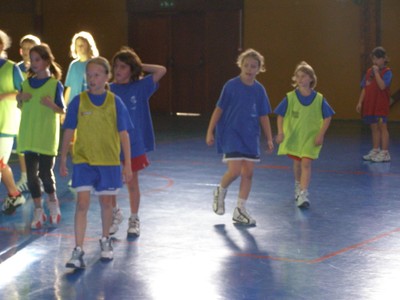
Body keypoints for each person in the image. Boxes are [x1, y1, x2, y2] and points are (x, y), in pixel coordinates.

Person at [60, 57, 133, 268]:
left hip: (109, 162)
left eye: (97, 75)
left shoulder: (114, 102)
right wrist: (64, 156)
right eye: (89, 75)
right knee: (82, 204)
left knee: (106, 203)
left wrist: (127, 164)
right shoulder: (79, 101)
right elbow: (69, 131)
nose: (92, 79)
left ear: (106, 77)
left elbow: (124, 134)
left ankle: (105, 240)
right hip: (84, 161)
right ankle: (78, 249)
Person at [206, 48, 274, 226]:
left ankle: (240, 209)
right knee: (235, 171)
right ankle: (220, 191)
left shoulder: (259, 90)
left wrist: (268, 138)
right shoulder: (231, 86)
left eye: (253, 66)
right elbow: (219, 109)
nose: (249, 69)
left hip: (250, 136)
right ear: (240, 65)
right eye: (246, 65)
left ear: (259, 69)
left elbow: (263, 115)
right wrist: (210, 130)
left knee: (249, 173)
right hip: (231, 133)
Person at [109, 47, 166, 237]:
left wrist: (138, 65)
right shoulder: (109, 89)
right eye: (116, 66)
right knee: (111, 183)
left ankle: (134, 218)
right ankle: (115, 213)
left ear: (131, 70)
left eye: (123, 67)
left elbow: (161, 70)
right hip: (111, 145)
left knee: (132, 183)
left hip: (133, 145)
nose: (118, 70)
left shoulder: (140, 87)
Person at [16, 43, 65, 228]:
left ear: (46, 61)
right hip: (28, 136)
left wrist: (51, 105)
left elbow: (61, 110)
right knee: (31, 177)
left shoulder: (55, 85)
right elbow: (20, 104)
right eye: (31, 59)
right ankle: (38, 211)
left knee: (45, 173)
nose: (33, 63)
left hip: (45, 137)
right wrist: (19, 98)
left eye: (37, 59)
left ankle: (53, 203)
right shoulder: (25, 84)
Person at [274, 61, 334, 208]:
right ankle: (297, 184)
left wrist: (321, 134)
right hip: (295, 137)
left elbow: (328, 116)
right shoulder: (290, 97)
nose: (300, 79)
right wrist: (281, 132)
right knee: (297, 164)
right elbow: (280, 115)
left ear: (311, 79)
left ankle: (303, 193)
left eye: (304, 76)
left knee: (306, 163)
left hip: (310, 138)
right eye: (298, 76)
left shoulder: (319, 98)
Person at [0, 29, 26, 215]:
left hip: (6, 123)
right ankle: (14, 194)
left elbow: (24, 94)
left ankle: (15, 194)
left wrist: (3, 96)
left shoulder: (11, 68)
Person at [15, 34, 41, 193]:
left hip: (38, 113)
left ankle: (38, 176)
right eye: (24, 48)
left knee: (37, 145)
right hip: (21, 112)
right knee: (21, 144)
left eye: (30, 48)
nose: (26, 51)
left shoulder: (42, 69)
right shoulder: (16, 68)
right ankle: (25, 177)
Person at [356, 47, 392, 163]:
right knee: (374, 128)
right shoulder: (368, 72)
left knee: (382, 127)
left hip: (381, 106)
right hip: (371, 106)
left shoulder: (387, 72)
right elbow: (365, 88)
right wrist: (360, 102)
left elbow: (382, 86)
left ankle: (385, 152)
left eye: (377, 59)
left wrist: (376, 73)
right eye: (373, 59)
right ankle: (376, 150)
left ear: (384, 59)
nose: (374, 62)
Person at [64, 31, 99, 104]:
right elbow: (69, 88)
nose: (79, 47)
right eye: (77, 45)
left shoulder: (96, 63)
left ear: (89, 45)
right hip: (74, 104)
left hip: (89, 103)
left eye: (82, 45)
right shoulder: (73, 65)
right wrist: (64, 106)